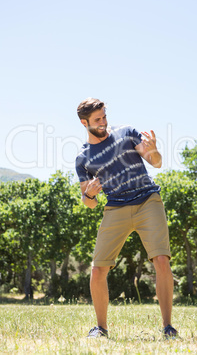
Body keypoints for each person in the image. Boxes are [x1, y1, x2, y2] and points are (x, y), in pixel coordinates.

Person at [75, 97, 177, 339]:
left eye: (104, 117)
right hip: (115, 208)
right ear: (84, 122)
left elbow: (157, 163)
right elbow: (88, 203)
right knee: (98, 269)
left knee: (161, 260)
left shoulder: (126, 133)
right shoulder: (83, 158)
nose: (103, 122)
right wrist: (89, 194)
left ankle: (168, 327)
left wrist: (154, 151)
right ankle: (100, 328)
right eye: (97, 119)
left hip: (147, 201)